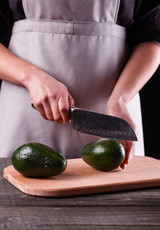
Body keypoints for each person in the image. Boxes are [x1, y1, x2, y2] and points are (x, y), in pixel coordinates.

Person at [0, 0, 160, 169]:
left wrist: (121, 99)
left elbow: (152, 36)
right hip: (26, 109)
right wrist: (31, 78)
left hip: (113, 112)